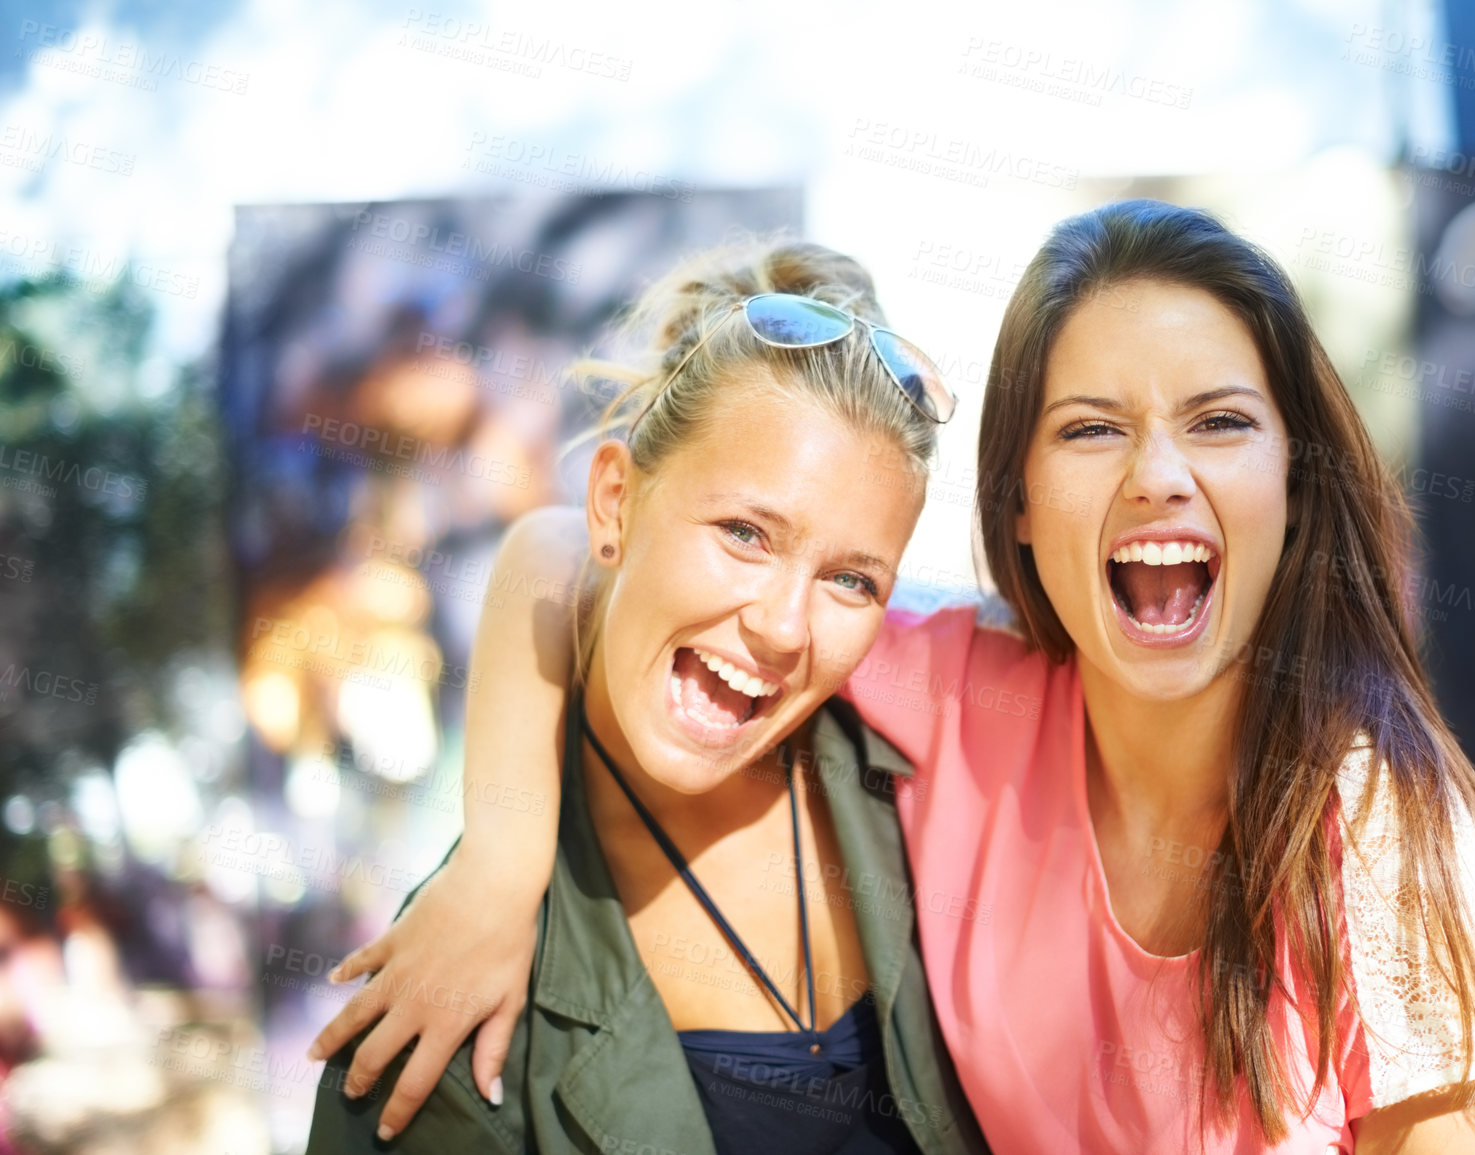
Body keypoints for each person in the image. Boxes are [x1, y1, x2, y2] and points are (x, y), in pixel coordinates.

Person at [311, 202, 1475, 1153]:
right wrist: (502, 861)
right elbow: (566, 556)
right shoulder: (964, 694)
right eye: (1090, 427)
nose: (1160, 475)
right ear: (1016, 505)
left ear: (1298, 476)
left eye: (1222, 422)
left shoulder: (1367, 810)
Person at [305, 240, 988, 1154]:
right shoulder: (453, 994)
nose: (785, 627)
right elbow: (544, 550)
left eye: (852, 580)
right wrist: (504, 863)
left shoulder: (933, 777)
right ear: (614, 504)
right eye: (745, 532)